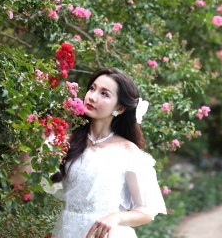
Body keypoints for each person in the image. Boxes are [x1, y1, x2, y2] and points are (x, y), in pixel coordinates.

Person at [50, 67, 167, 238]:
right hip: (67, 231)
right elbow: (21, 179)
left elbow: (145, 211)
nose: (92, 97)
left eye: (104, 94)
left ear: (119, 108)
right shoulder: (68, 141)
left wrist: (116, 217)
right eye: (92, 88)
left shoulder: (127, 151)